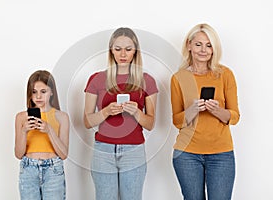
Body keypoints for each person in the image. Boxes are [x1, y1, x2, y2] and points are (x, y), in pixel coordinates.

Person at [83, 27, 158, 200]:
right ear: (111, 51)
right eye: (117, 49)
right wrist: (106, 111)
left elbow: (150, 123)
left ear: (135, 52)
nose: (122, 54)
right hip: (103, 151)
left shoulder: (147, 81)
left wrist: (136, 112)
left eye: (128, 49)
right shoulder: (97, 79)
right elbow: (87, 121)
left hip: (134, 152)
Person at [170, 23, 240, 200]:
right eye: (198, 44)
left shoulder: (225, 75)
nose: (203, 50)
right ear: (189, 45)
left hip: (221, 154)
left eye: (209, 46)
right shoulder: (179, 78)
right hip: (186, 154)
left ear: (214, 49)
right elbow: (177, 121)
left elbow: (234, 116)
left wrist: (217, 111)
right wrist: (192, 110)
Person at [15, 70, 69, 200]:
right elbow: (18, 154)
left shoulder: (61, 117)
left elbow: (63, 154)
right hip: (28, 169)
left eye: (43, 92)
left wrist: (49, 130)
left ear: (51, 92)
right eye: (34, 92)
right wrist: (23, 131)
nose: (38, 96)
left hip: (53, 170)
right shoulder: (21, 117)